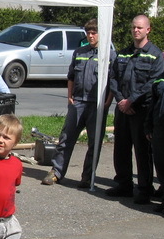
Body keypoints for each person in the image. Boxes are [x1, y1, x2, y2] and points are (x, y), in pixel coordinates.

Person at [42, 19, 115, 188]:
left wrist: (108, 101)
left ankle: (87, 177)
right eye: (88, 33)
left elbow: (113, 81)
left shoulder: (109, 55)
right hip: (78, 102)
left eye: (94, 33)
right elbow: (71, 77)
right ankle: (56, 172)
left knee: (94, 142)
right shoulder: (79, 52)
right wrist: (70, 97)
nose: (90, 36)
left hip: (96, 105)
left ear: (101, 34)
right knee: (66, 138)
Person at [107, 14, 164, 204]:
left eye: (139, 27)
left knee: (142, 151)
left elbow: (153, 83)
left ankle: (144, 189)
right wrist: (121, 100)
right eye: (133, 27)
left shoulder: (155, 55)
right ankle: (124, 184)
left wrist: (131, 101)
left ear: (148, 30)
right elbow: (113, 78)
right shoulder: (123, 53)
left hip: (141, 110)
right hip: (123, 109)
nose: (135, 30)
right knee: (121, 149)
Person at [145, 42, 164, 215]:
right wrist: (148, 126)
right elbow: (153, 104)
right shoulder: (163, 76)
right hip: (159, 129)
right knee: (162, 166)